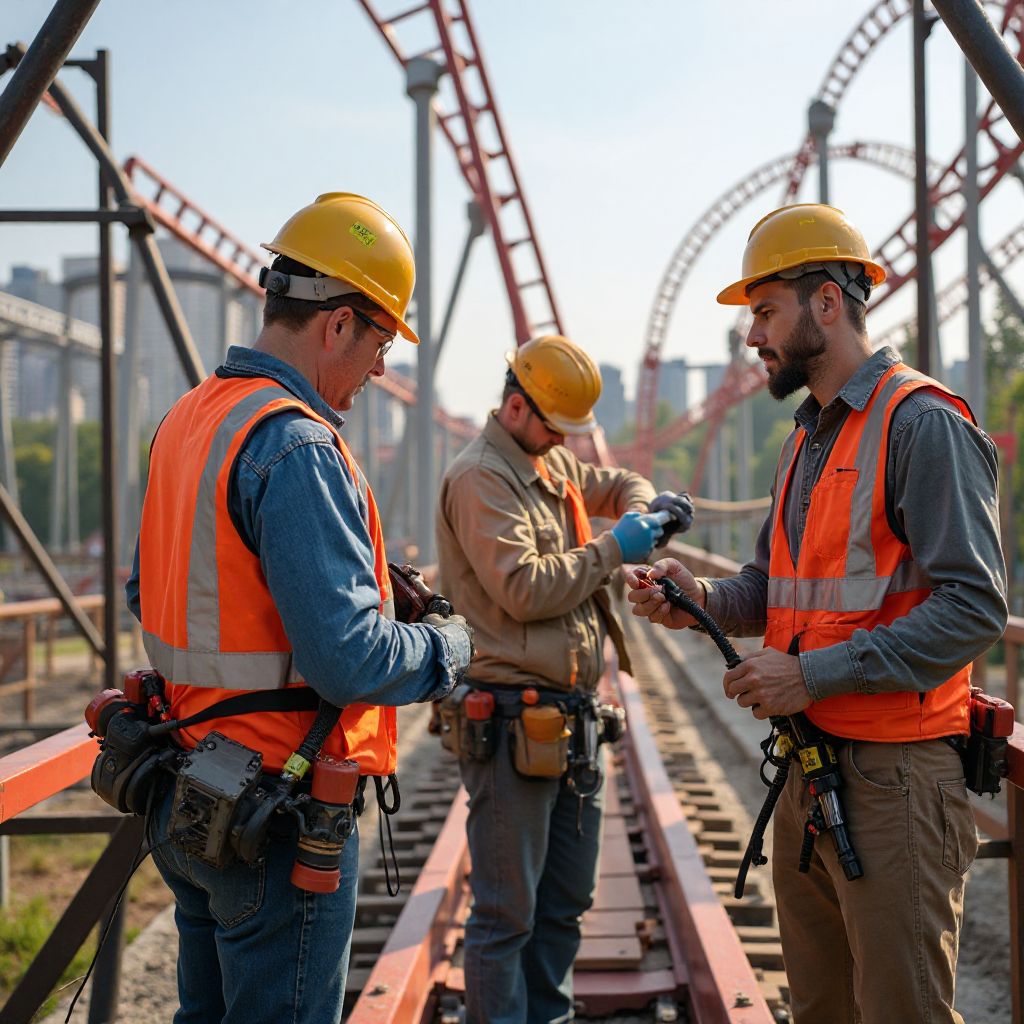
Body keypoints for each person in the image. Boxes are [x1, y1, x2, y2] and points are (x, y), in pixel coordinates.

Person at [626, 203, 1007, 1024]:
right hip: (810, 772)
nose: (751, 336)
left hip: (895, 784)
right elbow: (767, 591)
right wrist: (690, 602)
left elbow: (975, 607)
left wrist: (809, 676)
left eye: (764, 312)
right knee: (821, 1009)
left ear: (827, 303)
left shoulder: (923, 424)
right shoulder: (807, 439)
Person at [125, 192, 474, 1024]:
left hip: (187, 789)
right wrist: (447, 647)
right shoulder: (298, 442)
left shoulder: (189, 417)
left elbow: (155, 588)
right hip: (272, 814)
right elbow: (347, 659)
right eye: (382, 340)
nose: (382, 368)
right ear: (339, 323)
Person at [435, 334, 693, 1024]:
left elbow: (612, 484)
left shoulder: (544, 460)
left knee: (564, 907)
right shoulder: (482, 476)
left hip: (571, 722)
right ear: (517, 405)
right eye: (555, 427)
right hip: (514, 724)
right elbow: (523, 588)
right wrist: (617, 548)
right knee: (506, 915)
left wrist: (649, 508)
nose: (564, 443)